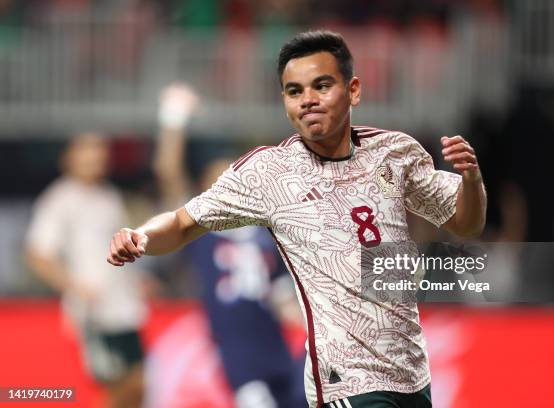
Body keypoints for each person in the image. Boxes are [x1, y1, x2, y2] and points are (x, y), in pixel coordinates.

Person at [108, 30, 486, 408]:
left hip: (413, 377)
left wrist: (471, 179)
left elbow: (466, 224)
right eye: (294, 91)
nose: (307, 100)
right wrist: (140, 236)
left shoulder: (394, 153)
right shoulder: (269, 175)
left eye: (321, 86)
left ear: (353, 90)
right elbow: (182, 222)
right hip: (345, 383)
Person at [152, 84, 308, 407]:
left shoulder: (264, 228)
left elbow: (279, 292)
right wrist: (174, 120)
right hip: (239, 351)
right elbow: (169, 174)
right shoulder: (200, 229)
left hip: (275, 344)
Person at [26, 132, 148, 408]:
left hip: (125, 308)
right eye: (88, 151)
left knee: (139, 386)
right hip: (96, 314)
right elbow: (37, 254)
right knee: (116, 386)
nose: (96, 157)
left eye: (100, 151)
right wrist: (74, 285)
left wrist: (137, 279)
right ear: (70, 158)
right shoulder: (60, 199)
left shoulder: (108, 196)